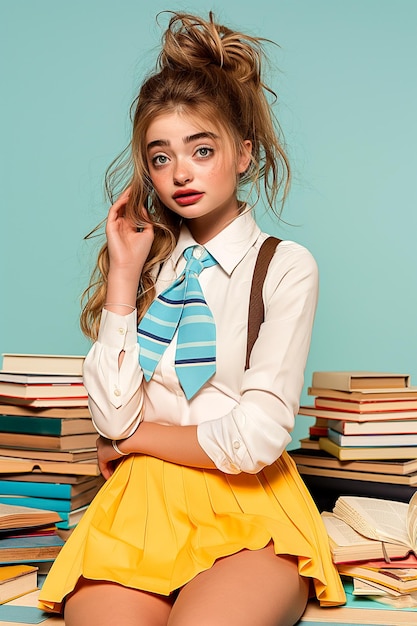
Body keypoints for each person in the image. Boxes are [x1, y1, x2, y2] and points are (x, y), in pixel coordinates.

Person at [39, 11, 345, 626]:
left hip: (250, 504)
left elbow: (256, 437)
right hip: (140, 500)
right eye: (160, 157)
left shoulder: (284, 268)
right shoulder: (149, 265)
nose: (180, 173)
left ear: (244, 155)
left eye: (201, 150)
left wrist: (139, 441)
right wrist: (123, 284)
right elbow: (112, 414)